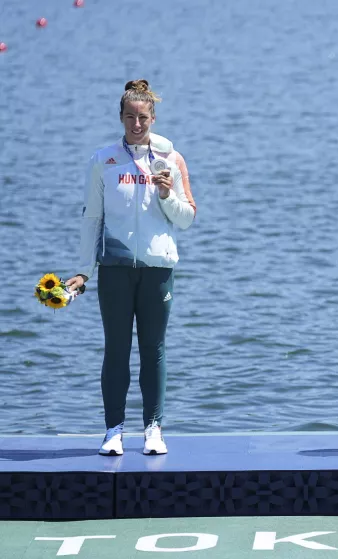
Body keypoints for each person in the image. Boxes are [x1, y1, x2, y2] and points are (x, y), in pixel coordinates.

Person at [65, 79, 196, 456]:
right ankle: (113, 431)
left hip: (158, 270)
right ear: (121, 118)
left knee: (153, 350)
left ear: (153, 118)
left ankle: (153, 429)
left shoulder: (171, 160)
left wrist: (168, 195)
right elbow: (92, 218)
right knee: (116, 349)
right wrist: (83, 271)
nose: (136, 125)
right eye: (129, 118)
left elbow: (186, 219)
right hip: (115, 270)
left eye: (143, 118)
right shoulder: (103, 160)